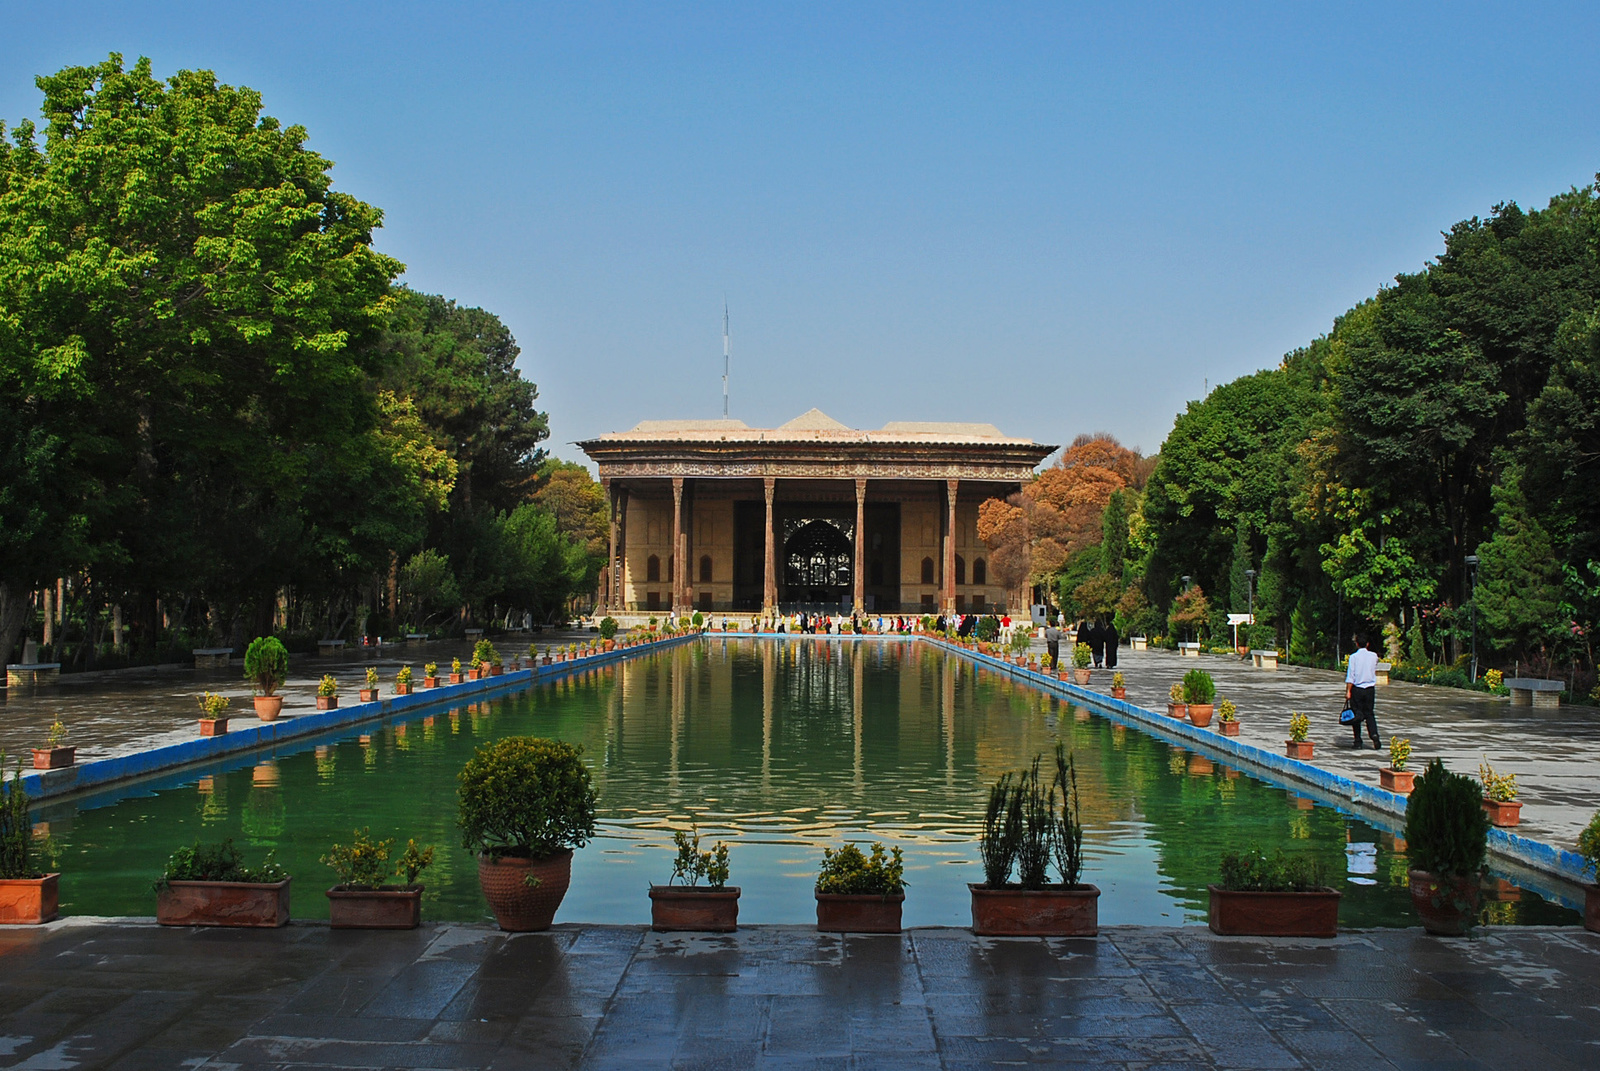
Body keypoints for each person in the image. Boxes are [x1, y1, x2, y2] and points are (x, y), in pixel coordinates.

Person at [1345, 632, 1381, 749]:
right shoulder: (1374, 656)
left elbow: (1351, 676)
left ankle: (1358, 741)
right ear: (1367, 644)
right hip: (1370, 688)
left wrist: (1348, 691)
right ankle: (1374, 735)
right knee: (1369, 713)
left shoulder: (1353, 657)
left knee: (1357, 714)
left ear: (1357, 644)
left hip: (1357, 688)